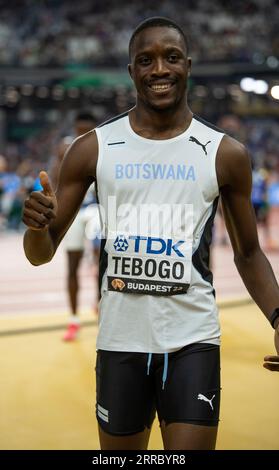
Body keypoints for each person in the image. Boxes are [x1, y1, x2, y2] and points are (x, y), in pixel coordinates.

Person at [22, 17, 279, 451]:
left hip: (193, 339)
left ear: (188, 66)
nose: (159, 69)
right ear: (131, 71)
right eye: (146, 60)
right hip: (120, 341)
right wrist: (35, 226)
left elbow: (249, 253)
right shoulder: (93, 148)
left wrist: (278, 316)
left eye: (171, 57)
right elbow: (39, 254)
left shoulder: (225, 154)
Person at [50, 111, 100, 341]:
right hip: (74, 211)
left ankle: (102, 306)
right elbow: (55, 179)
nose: (83, 133)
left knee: (103, 261)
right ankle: (73, 318)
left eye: (86, 130)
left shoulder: (103, 144)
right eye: (80, 130)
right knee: (72, 265)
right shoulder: (65, 147)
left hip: (95, 208)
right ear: (75, 128)